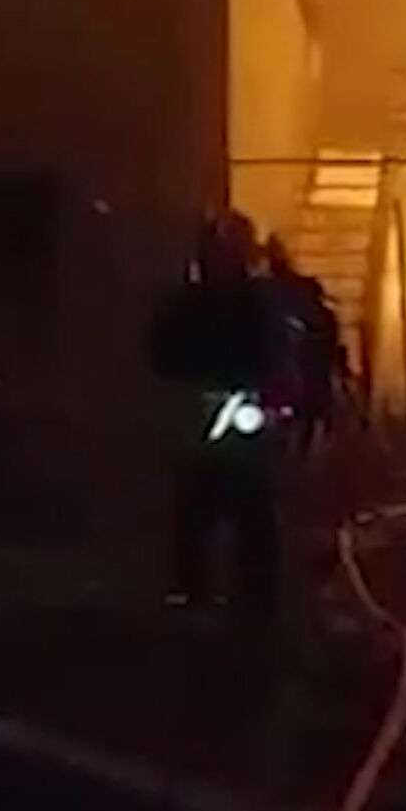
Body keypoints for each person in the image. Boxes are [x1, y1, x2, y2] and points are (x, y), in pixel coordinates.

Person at [147, 210, 293, 627]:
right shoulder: (185, 305)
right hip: (199, 416)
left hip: (244, 416)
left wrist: (276, 404)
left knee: (252, 513)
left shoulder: (259, 304)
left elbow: (278, 356)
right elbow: (160, 353)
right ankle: (191, 594)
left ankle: (256, 602)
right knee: (195, 510)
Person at [263, 235, 342, 458]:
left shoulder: (288, 293)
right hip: (282, 367)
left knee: (304, 413)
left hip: (301, 367)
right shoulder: (266, 292)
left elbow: (325, 344)